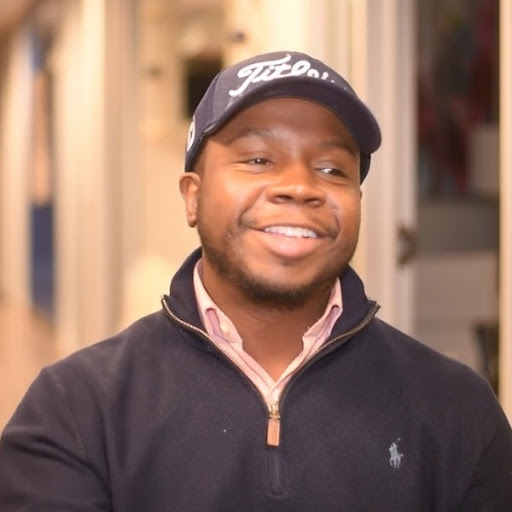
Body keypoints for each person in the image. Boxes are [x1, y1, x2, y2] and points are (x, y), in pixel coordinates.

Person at [0, 50, 511, 511]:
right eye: (259, 159)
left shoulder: (457, 412)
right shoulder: (75, 412)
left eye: (333, 169)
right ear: (193, 196)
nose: (300, 187)